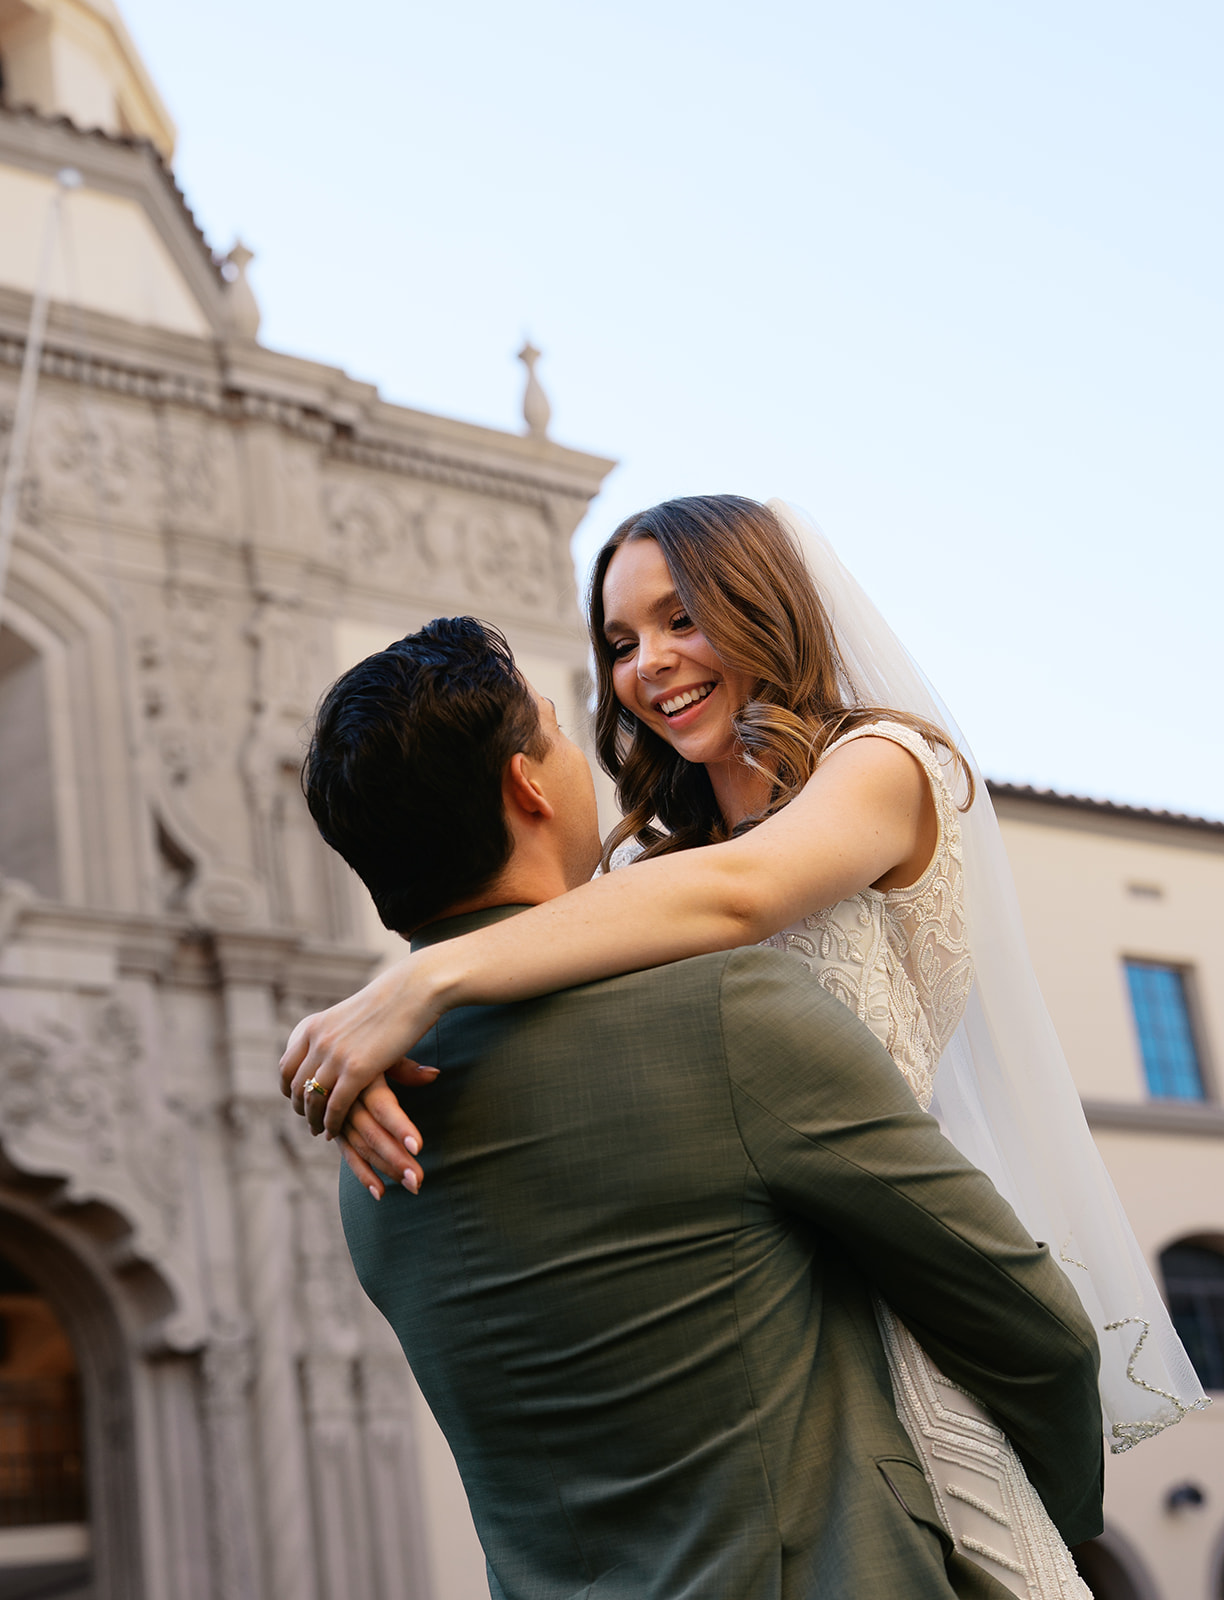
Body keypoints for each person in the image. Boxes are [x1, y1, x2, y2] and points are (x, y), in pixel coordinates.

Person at [282, 497, 1204, 1588]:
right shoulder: (646, 882)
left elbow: (748, 895)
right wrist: (379, 1020)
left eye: (682, 619)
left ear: (763, 605)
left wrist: (422, 978)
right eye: (620, 642)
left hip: (920, 1300)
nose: (647, 665)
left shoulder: (881, 766)